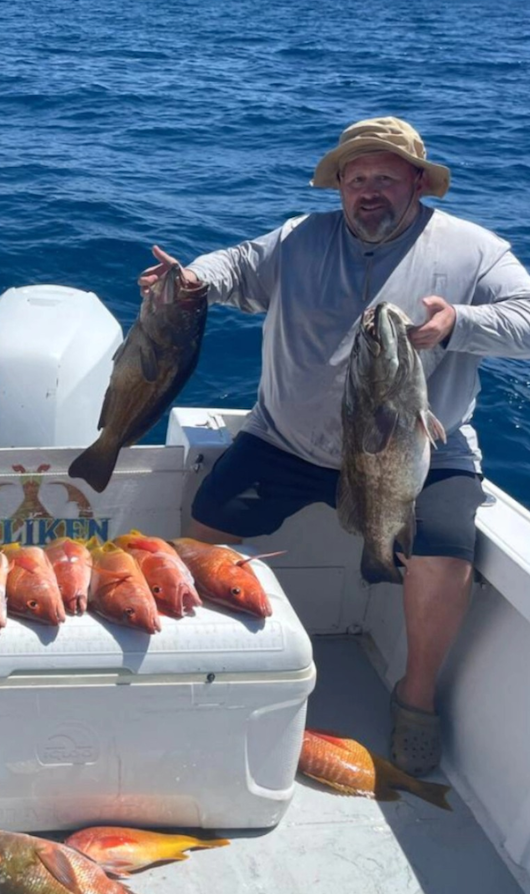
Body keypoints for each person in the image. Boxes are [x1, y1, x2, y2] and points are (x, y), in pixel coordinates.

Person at [139, 116, 530, 777]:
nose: (368, 191)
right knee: (204, 526)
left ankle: (417, 697)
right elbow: (234, 266)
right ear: (340, 187)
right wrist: (194, 280)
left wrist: (459, 323)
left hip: (417, 442)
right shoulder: (300, 238)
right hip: (290, 441)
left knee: (443, 551)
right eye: (356, 179)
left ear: (417, 182)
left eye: (385, 177)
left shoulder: (475, 251)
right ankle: (203, 660)